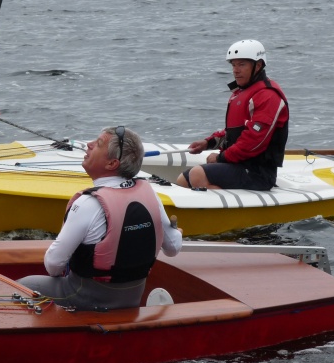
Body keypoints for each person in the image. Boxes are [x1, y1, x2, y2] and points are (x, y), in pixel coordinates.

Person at [18, 126, 182, 311]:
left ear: (112, 163)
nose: (89, 144)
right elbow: (173, 248)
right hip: (131, 299)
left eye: (98, 144)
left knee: (20, 286)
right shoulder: (151, 196)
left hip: (86, 298)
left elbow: (53, 264)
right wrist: (176, 232)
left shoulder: (89, 203)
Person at [175, 39, 289, 191]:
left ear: (258, 65)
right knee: (183, 180)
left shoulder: (268, 96)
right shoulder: (243, 93)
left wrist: (220, 157)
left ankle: (233, 205)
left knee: (197, 175)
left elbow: (253, 141)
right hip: (237, 165)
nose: (235, 70)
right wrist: (208, 143)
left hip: (258, 173)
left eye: (241, 64)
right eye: (233, 65)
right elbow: (234, 133)